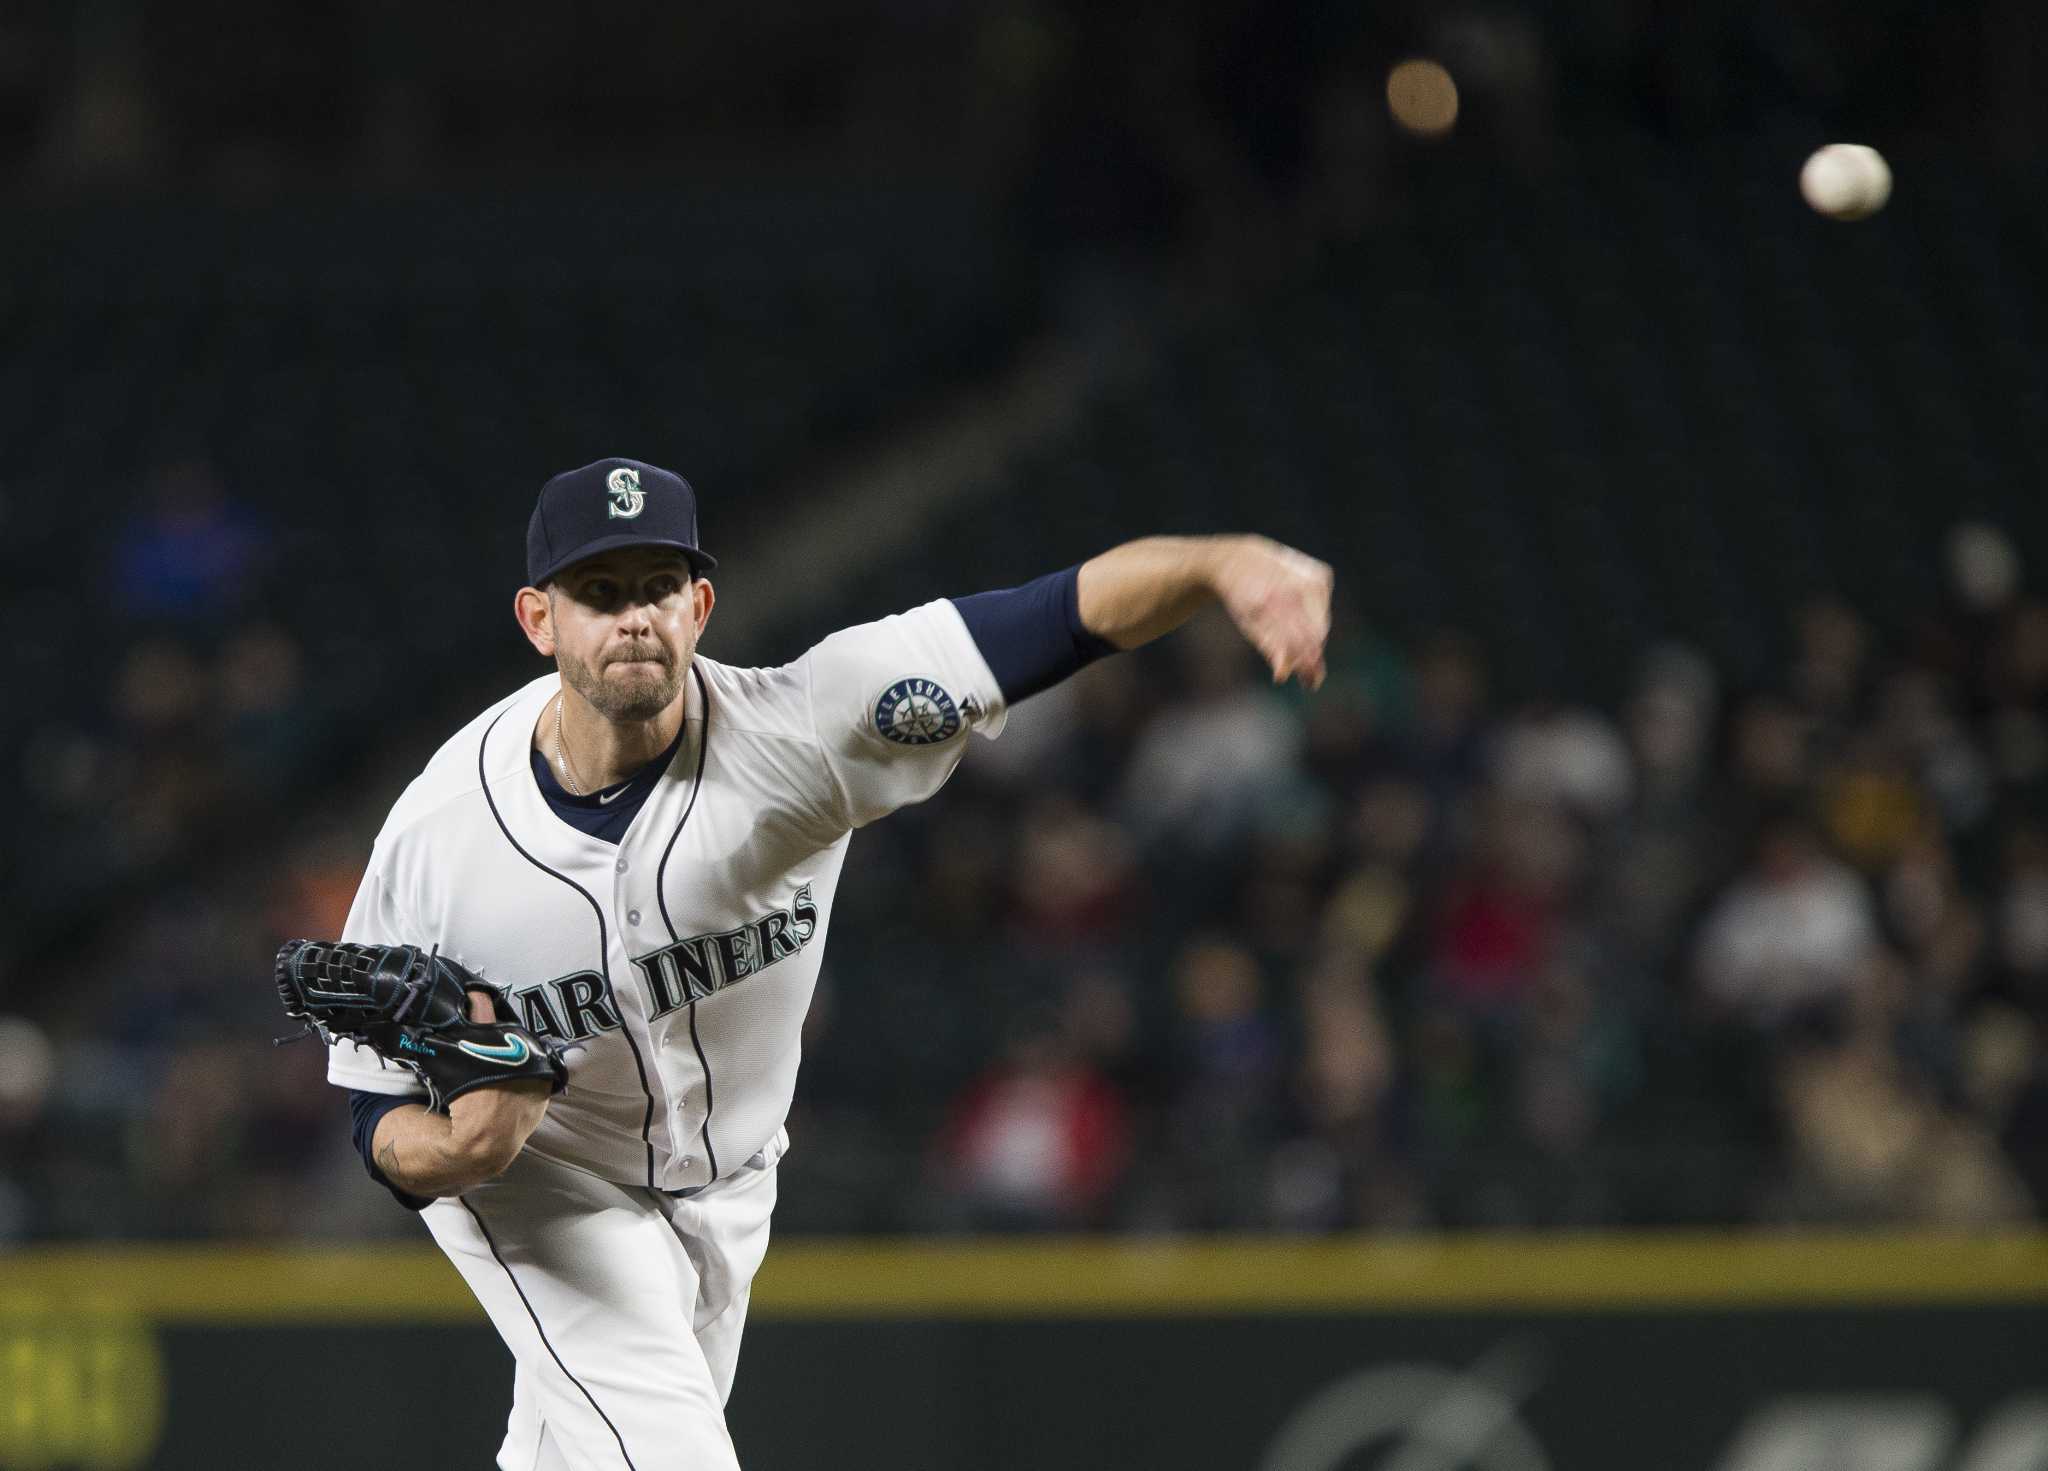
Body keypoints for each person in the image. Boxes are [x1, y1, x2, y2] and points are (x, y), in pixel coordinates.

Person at [327, 457, 1332, 1469]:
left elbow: (1050, 621)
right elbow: (373, 1108)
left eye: (657, 587)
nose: (633, 616)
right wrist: (453, 1154)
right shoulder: (438, 839)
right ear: (539, 620)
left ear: (701, 605)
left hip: (732, 1175)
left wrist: (1219, 563)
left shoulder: (801, 732)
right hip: (550, 1181)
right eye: (598, 592)